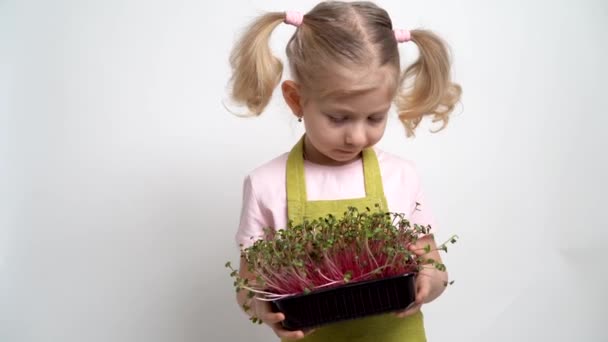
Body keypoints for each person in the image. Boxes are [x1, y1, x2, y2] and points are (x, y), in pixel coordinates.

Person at [227, 1, 461, 341]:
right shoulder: (266, 185)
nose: (356, 136)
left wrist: (429, 282)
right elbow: (249, 287)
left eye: (374, 118)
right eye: (338, 118)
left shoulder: (401, 176)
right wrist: (264, 309)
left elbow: (433, 265)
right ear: (296, 100)